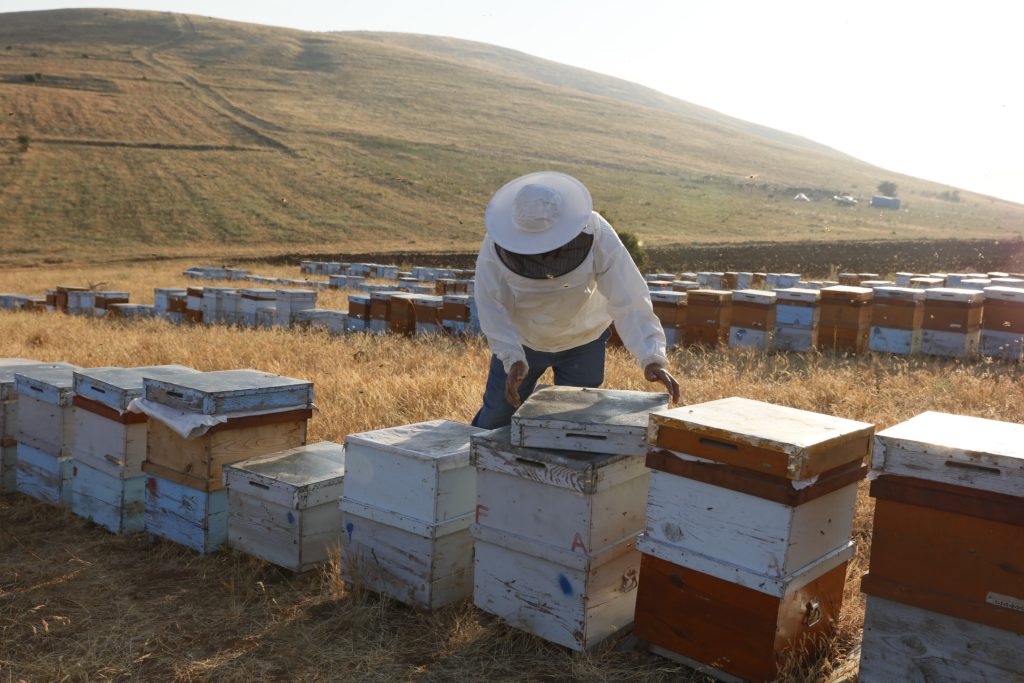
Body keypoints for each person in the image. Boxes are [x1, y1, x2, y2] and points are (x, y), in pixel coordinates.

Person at [471, 171, 680, 430]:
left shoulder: (597, 231)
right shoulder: (495, 244)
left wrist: (651, 357)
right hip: (524, 342)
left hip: (584, 341)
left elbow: (629, 295)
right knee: (494, 422)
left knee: (574, 427)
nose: (541, 252)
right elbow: (491, 306)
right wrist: (511, 357)